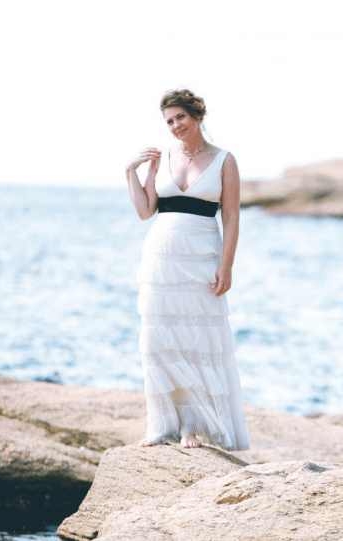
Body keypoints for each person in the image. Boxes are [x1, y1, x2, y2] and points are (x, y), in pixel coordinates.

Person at [125, 88, 249, 451]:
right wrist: (128, 171)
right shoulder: (160, 157)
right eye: (168, 121)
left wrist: (226, 265)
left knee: (196, 341)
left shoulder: (225, 160)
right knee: (158, 341)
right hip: (161, 257)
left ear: (196, 115)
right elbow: (146, 210)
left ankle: (192, 427)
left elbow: (231, 216)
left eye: (180, 117)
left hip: (202, 257)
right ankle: (161, 424)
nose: (175, 126)